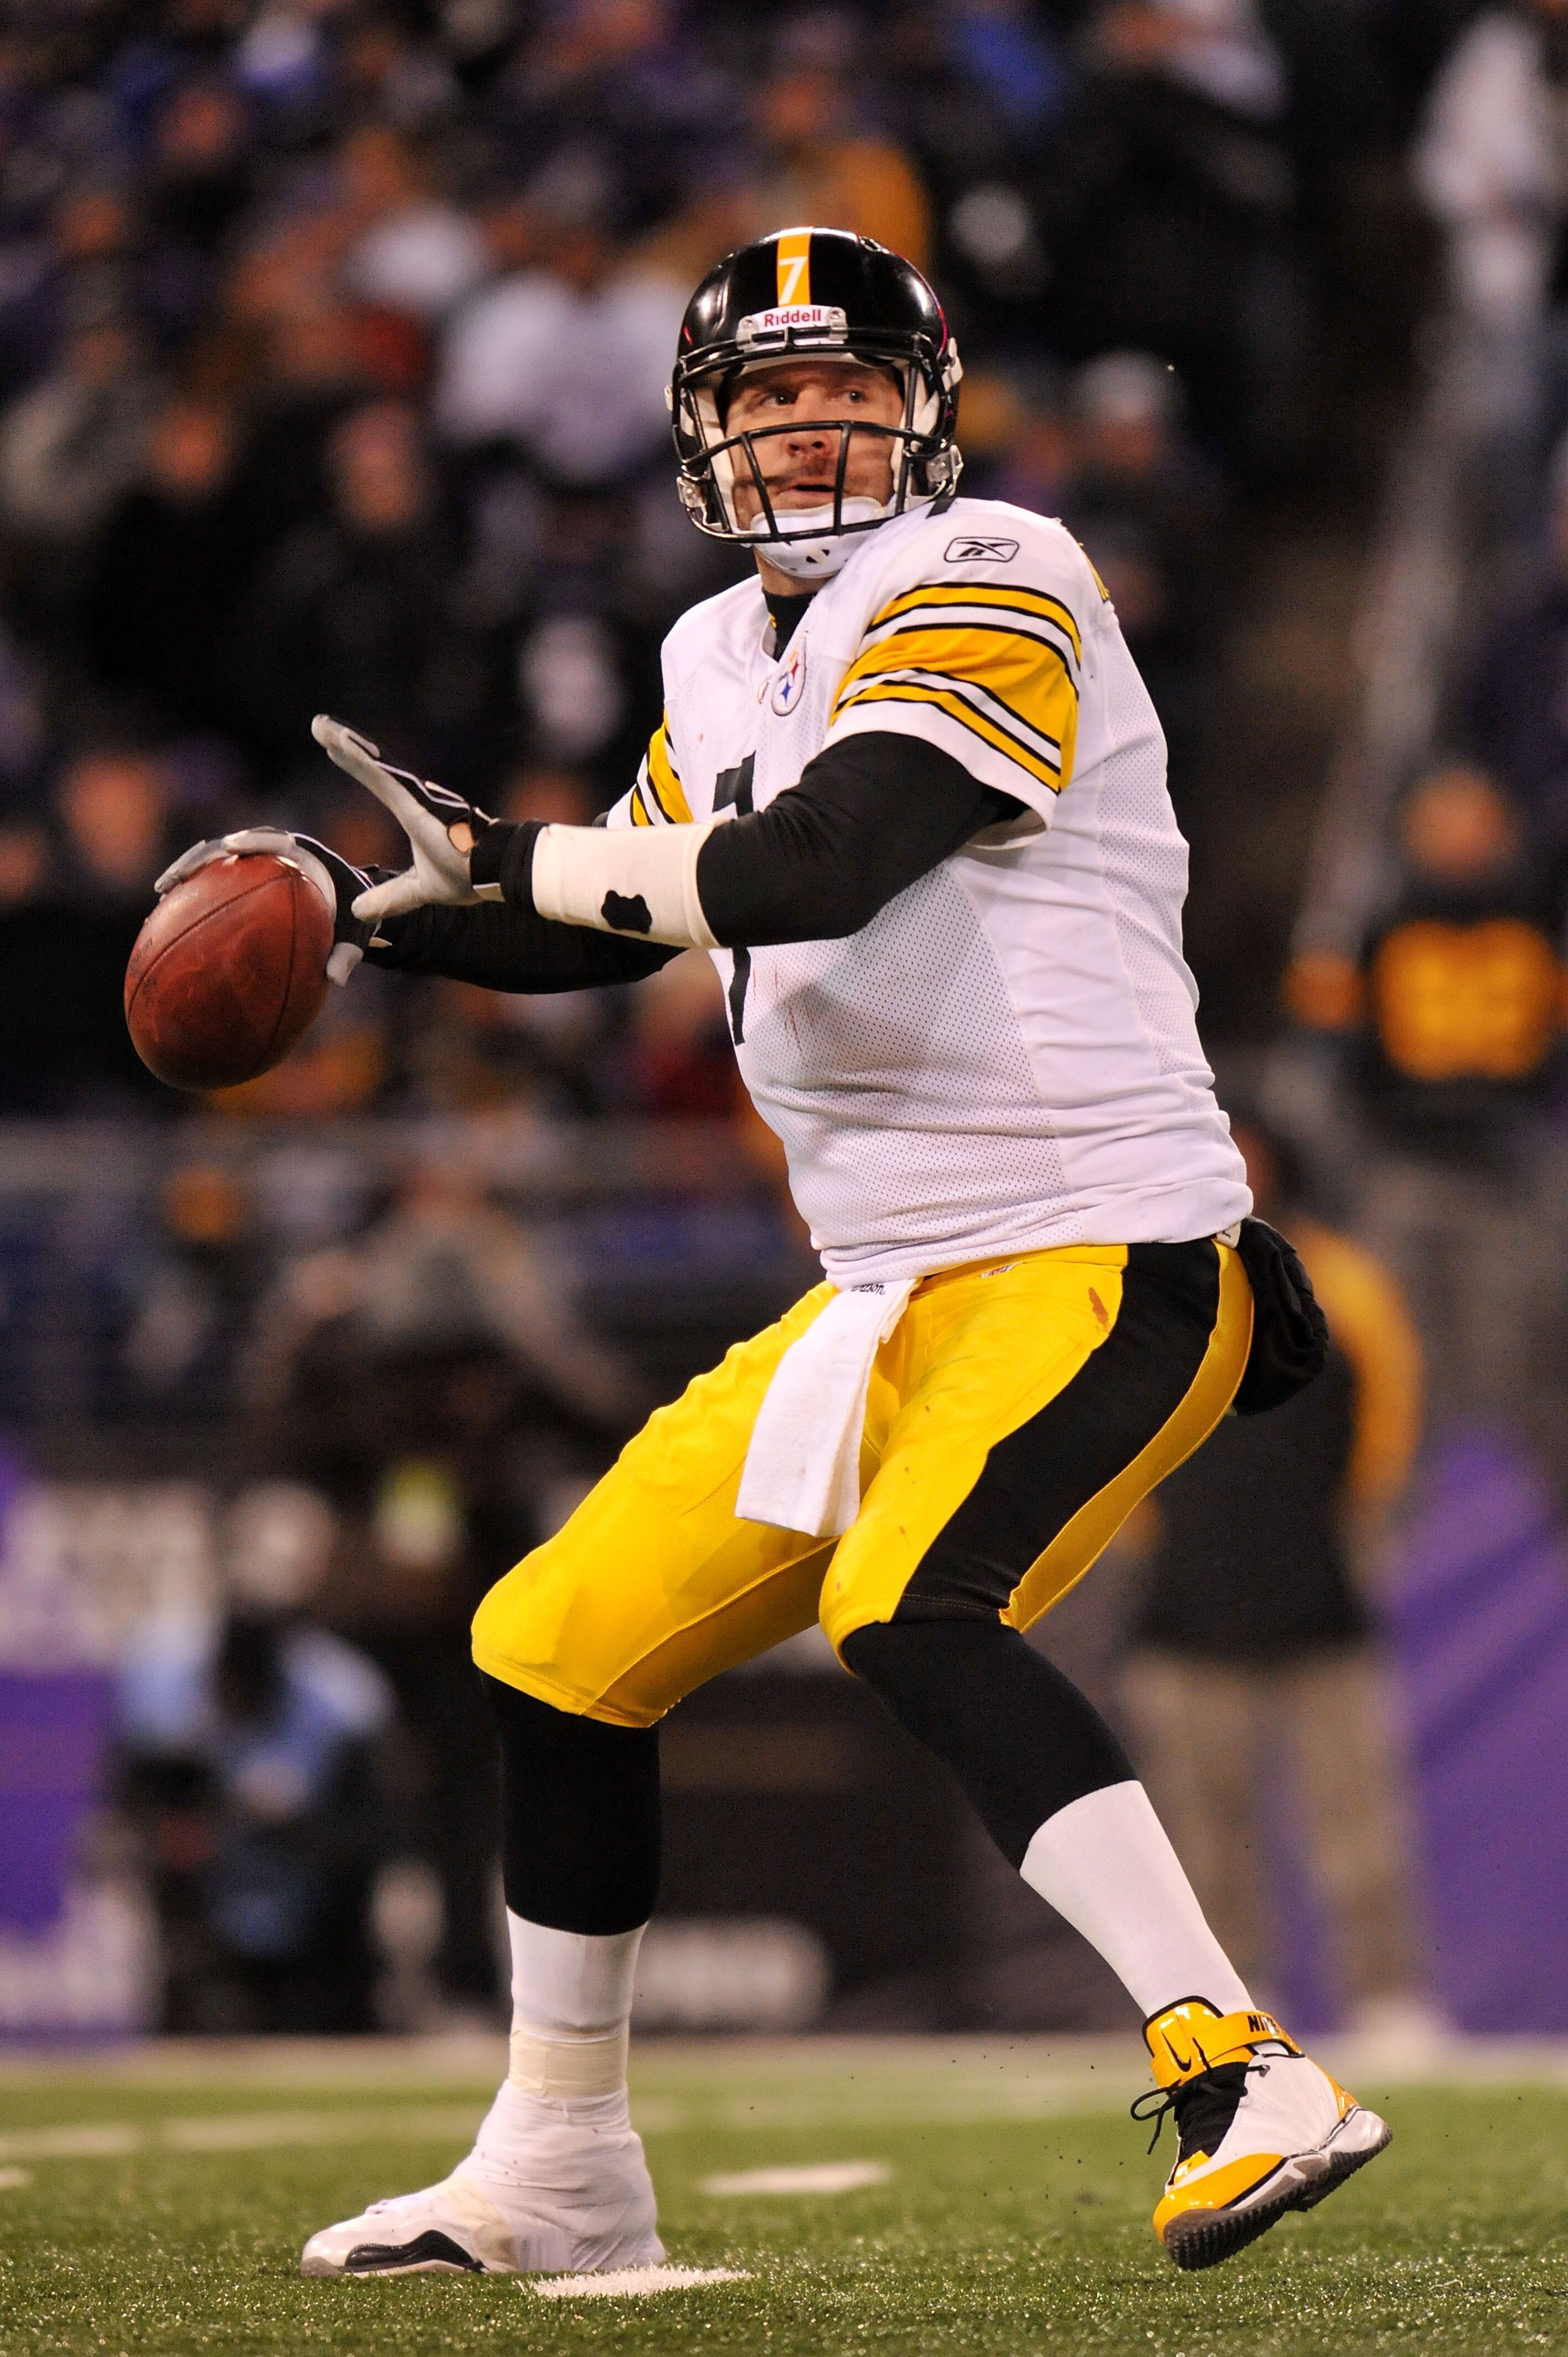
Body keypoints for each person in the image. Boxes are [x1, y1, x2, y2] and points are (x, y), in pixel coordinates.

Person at [163, 228, 1389, 2277]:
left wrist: (528, 855)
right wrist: (366, 911)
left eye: (841, 388)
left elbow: (822, 864)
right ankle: (560, 2159)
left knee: (917, 1604)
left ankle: (1240, 2064)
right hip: (889, 1282)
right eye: (762, 396)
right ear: (697, 434)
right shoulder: (715, 658)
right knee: (551, 1643)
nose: (804, 425)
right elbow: (606, 913)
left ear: (925, 407)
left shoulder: (1004, 575)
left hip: (1096, 1234)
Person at [1124, 1114, 1432, 2034]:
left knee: (1360, 1831)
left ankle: (1389, 2000)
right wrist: (1152, 1541)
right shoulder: (1145, 1287)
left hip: (1320, 1599)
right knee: (1204, 1843)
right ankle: (1233, 2009)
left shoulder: (1342, 1279)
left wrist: (1356, 1529)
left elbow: (1391, 1424)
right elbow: (1112, 1433)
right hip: (1184, 1608)